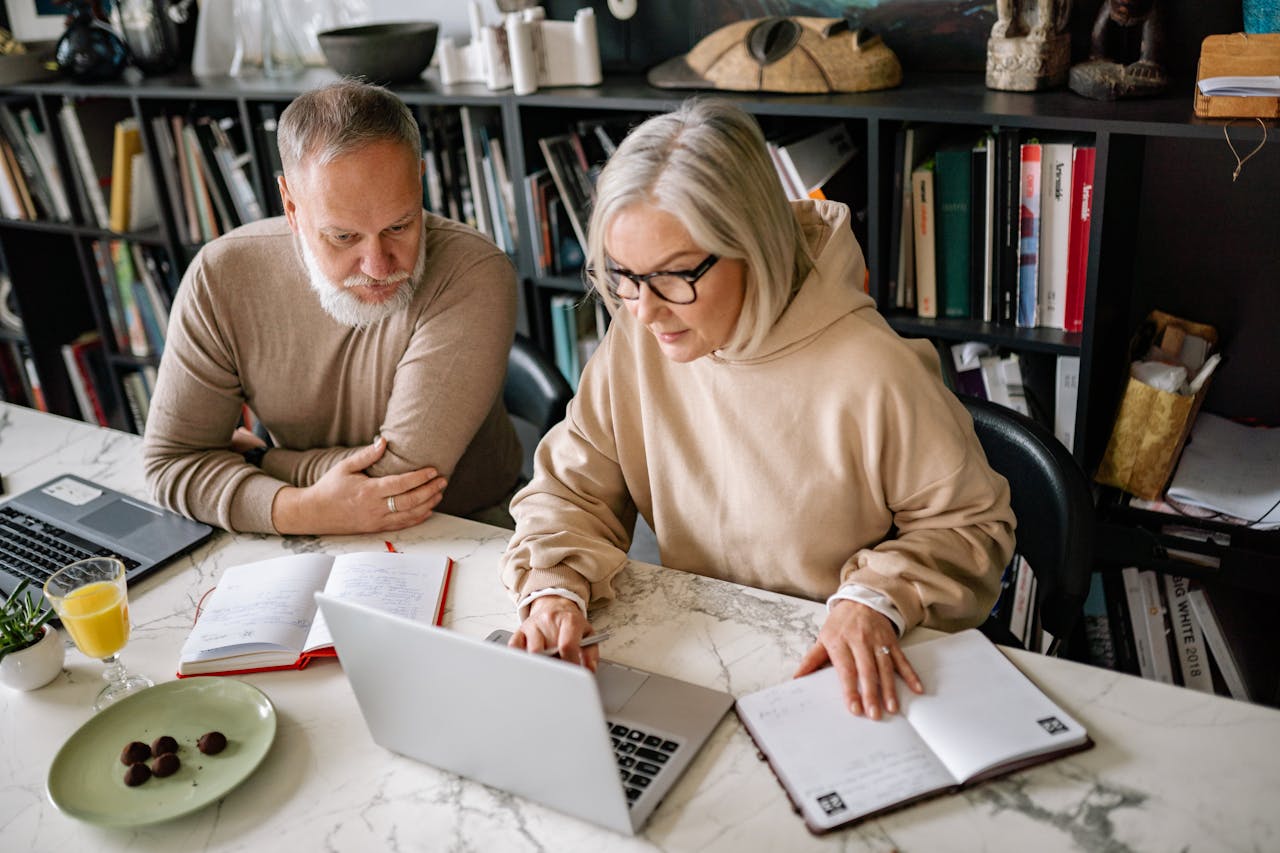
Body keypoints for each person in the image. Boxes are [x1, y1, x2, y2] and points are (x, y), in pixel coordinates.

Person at [500, 99, 1015, 719]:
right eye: (623, 275)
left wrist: (874, 597)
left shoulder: (873, 369)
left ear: (753, 247)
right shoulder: (639, 334)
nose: (643, 310)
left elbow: (971, 528)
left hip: (838, 675)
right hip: (708, 662)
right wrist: (554, 587)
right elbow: (570, 492)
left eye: (674, 276)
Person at [143, 80, 523, 535]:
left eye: (400, 225)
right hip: (302, 532)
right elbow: (171, 463)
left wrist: (261, 460)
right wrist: (300, 508)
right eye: (343, 237)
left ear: (419, 181)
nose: (378, 265)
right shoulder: (222, 276)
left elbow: (401, 484)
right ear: (291, 206)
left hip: (466, 527)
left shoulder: (473, 270)